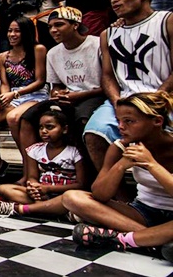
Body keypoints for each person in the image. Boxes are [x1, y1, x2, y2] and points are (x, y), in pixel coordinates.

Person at [62, 92, 173, 260]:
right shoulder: (120, 147)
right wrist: (121, 165)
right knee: (72, 198)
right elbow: (100, 194)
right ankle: (153, 240)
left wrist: (151, 164)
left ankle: (125, 238)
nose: (121, 127)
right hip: (143, 212)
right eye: (119, 120)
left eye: (129, 121)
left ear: (157, 121)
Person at [83, 0, 173, 172]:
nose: (115, 0)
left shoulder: (167, 21)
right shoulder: (108, 33)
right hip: (125, 98)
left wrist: (158, 97)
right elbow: (107, 75)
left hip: (164, 96)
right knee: (94, 134)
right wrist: (117, 103)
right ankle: (120, 199)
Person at [17, 7, 104, 183]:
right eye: (50, 27)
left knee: (82, 120)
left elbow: (107, 84)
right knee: (27, 118)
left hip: (94, 94)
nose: (53, 30)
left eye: (59, 25)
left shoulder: (97, 44)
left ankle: (88, 178)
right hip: (68, 96)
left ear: (75, 25)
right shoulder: (53, 52)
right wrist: (58, 94)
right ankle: (31, 175)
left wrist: (76, 96)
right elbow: (55, 85)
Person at [0, 17, 48, 183]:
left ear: (26, 32)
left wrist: (14, 95)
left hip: (36, 96)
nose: (12, 34)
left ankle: (29, 167)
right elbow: (4, 83)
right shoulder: (2, 57)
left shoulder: (38, 49)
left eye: (17, 30)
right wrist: (4, 97)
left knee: (13, 117)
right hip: (13, 97)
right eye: (10, 31)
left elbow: (40, 81)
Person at [0, 107, 85, 217]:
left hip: (63, 194)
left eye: (49, 127)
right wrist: (33, 186)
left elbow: (80, 184)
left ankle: (24, 209)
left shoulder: (74, 152)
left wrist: (48, 189)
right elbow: (32, 176)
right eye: (41, 127)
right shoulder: (35, 150)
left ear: (64, 129)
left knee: (70, 198)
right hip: (41, 195)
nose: (44, 131)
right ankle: (52, 210)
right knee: (3, 189)